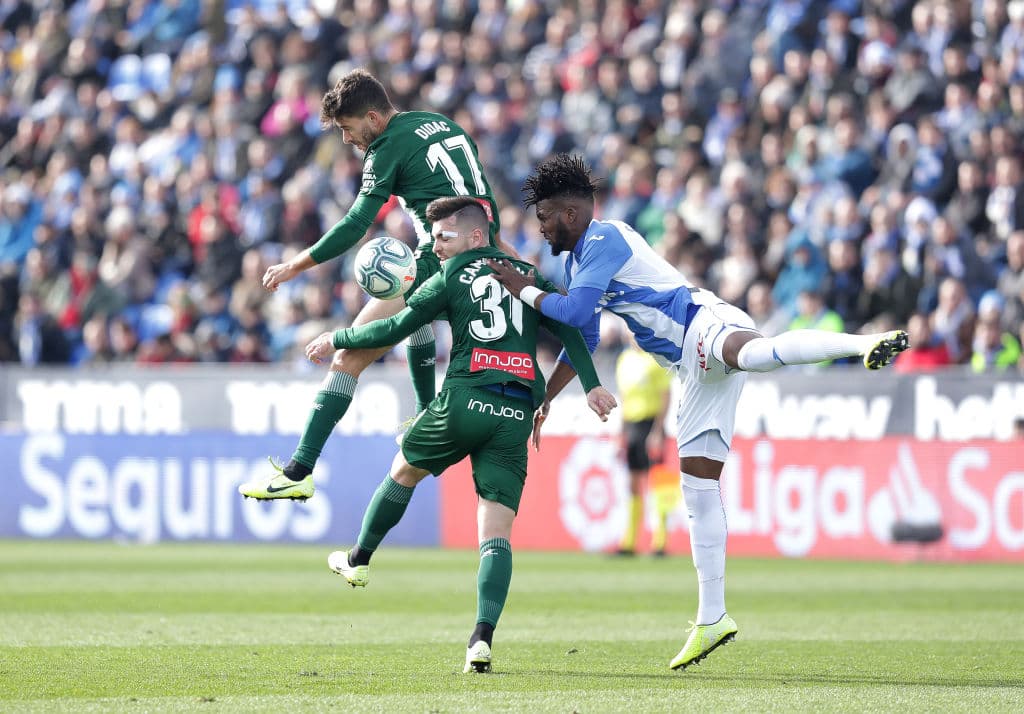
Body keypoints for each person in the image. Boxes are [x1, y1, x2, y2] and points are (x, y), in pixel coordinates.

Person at [487, 154, 909, 671]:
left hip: (699, 323)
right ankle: (713, 619)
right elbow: (588, 334)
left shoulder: (605, 239)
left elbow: (572, 313)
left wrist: (522, 289)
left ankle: (863, 344)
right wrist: (549, 395)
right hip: (690, 370)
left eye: (545, 216)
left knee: (755, 355)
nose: (542, 228)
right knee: (698, 484)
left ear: (570, 214)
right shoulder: (578, 262)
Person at [304, 196, 617, 674]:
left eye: (444, 237)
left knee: (403, 469)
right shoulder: (528, 274)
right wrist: (591, 386)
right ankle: (481, 638)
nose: (436, 245)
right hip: (515, 412)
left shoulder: (450, 275)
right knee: (495, 533)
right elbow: (574, 325)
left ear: (476, 236)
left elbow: (399, 325)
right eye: (433, 237)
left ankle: (359, 558)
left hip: (464, 399)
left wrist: (338, 339)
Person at [240, 69, 510, 501]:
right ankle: (424, 414)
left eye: (348, 129)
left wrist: (295, 265)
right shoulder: (442, 124)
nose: (348, 140)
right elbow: (483, 203)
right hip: (484, 258)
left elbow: (355, 225)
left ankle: (298, 470)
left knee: (347, 357)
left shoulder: (386, 145)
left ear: (372, 117)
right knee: (410, 307)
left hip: (445, 262)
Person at [614, 335, 673, 557]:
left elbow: (665, 395)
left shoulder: (655, 359)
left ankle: (661, 541)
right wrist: (621, 431)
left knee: (658, 482)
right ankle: (629, 540)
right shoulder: (624, 359)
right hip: (632, 424)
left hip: (651, 423)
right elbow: (624, 397)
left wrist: (658, 430)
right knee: (633, 482)